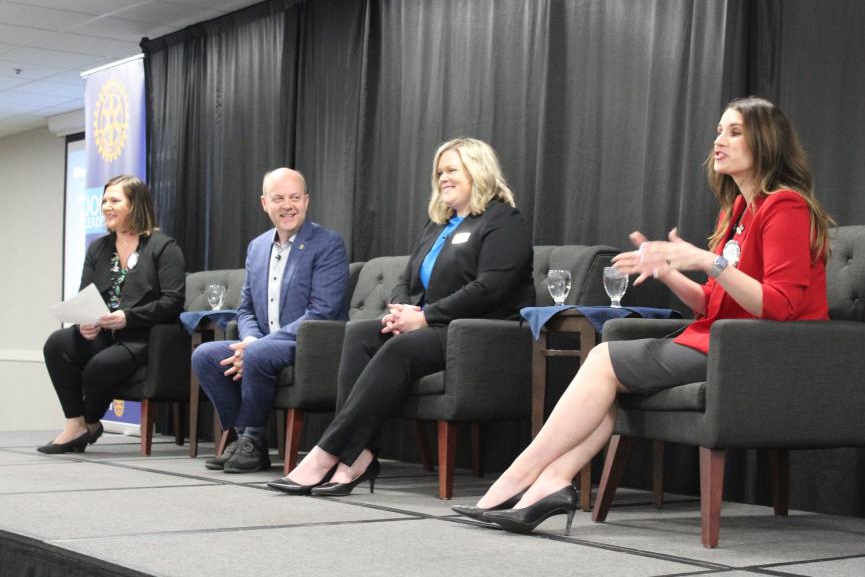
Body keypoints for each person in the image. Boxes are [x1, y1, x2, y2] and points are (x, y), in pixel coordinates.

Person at [455, 97, 833, 535]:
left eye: (733, 132)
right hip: (723, 337)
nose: (718, 141)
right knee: (608, 386)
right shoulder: (740, 213)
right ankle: (552, 483)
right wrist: (669, 272)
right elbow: (711, 303)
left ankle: (518, 477)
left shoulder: (786, 206)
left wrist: (708, 262)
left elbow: (781, 305)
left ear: (765, 143)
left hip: (761, 350)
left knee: (603, 360)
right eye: (718, 131)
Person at [267, 137, 534, 495]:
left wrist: (425, 316)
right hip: (430, 323)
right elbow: (407, 279)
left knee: (399, 350)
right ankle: (357, 456)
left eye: (452, 170)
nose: (443, 178)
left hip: (472, 332)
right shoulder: (438, 224)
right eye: (440, 172)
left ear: (478, 171)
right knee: (360, 334)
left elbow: (490, 288)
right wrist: (399, 310)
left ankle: (326, 453)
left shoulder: (503, 221)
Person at [192, 168, 349, 473]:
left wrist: (257, 347)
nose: (287, 205)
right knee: (206, 356)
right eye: (278, 198)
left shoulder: (328, 244)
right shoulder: (258, 246)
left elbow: (322, 312)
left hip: (310, 343)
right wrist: (250, 340)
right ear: (265, 203)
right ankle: (247, 440)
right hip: (264, 344)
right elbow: (246, 308)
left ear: (306, 201)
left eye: (294, 197)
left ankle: (251, 438)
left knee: (259, 354)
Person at [40, 175, 186, 454]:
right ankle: (76, 423)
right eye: (104, 200)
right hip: (104, 333)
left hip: (142, 339)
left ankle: (90, 423)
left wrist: (128, 317)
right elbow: (86, 294)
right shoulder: (99, 247)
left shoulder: (163, 247)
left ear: (135, 205)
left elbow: (173, 301)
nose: (106, 206)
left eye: (114, 200)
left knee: (100, 366)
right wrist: (85, 322)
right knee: (57, 343)